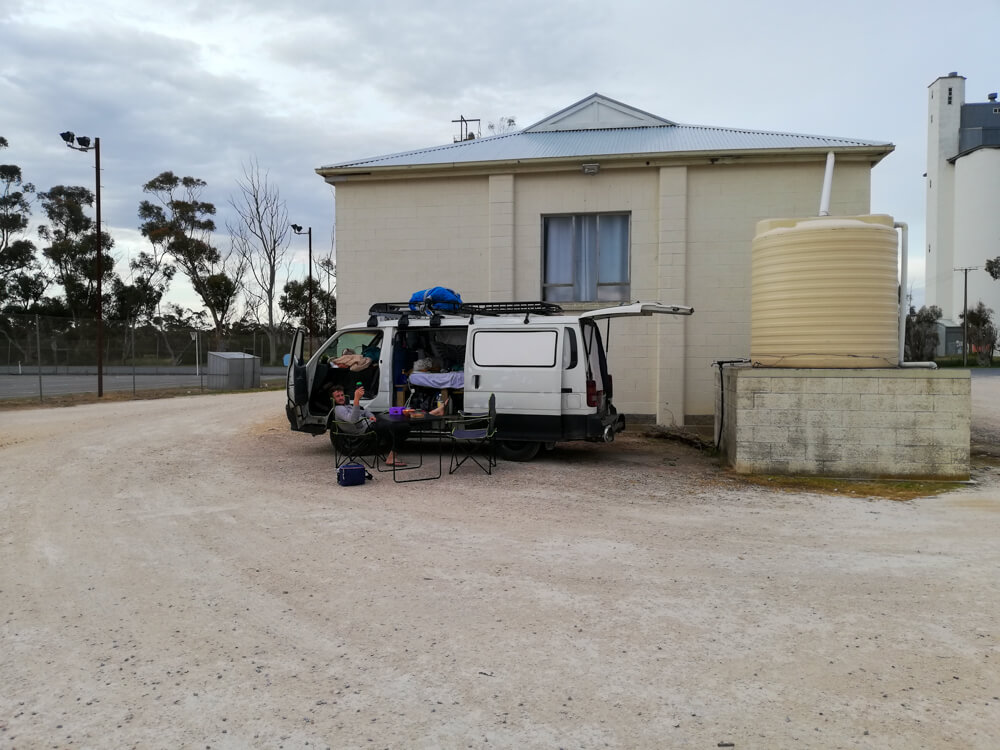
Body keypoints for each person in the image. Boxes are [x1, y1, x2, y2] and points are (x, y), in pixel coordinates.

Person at [331, 385, 406, 466]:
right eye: (337, 396)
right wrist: (356, 399)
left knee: (398, 424)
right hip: (367, 429)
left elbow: (365, 412)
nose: (341, 397)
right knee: (401, 427)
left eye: (342, 395)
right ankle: (392, 457)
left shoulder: (347, 406)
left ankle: (392, 454)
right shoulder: (338, 409)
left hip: (371, 423)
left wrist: (371, 416)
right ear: (333, 399)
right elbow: (353, 420)